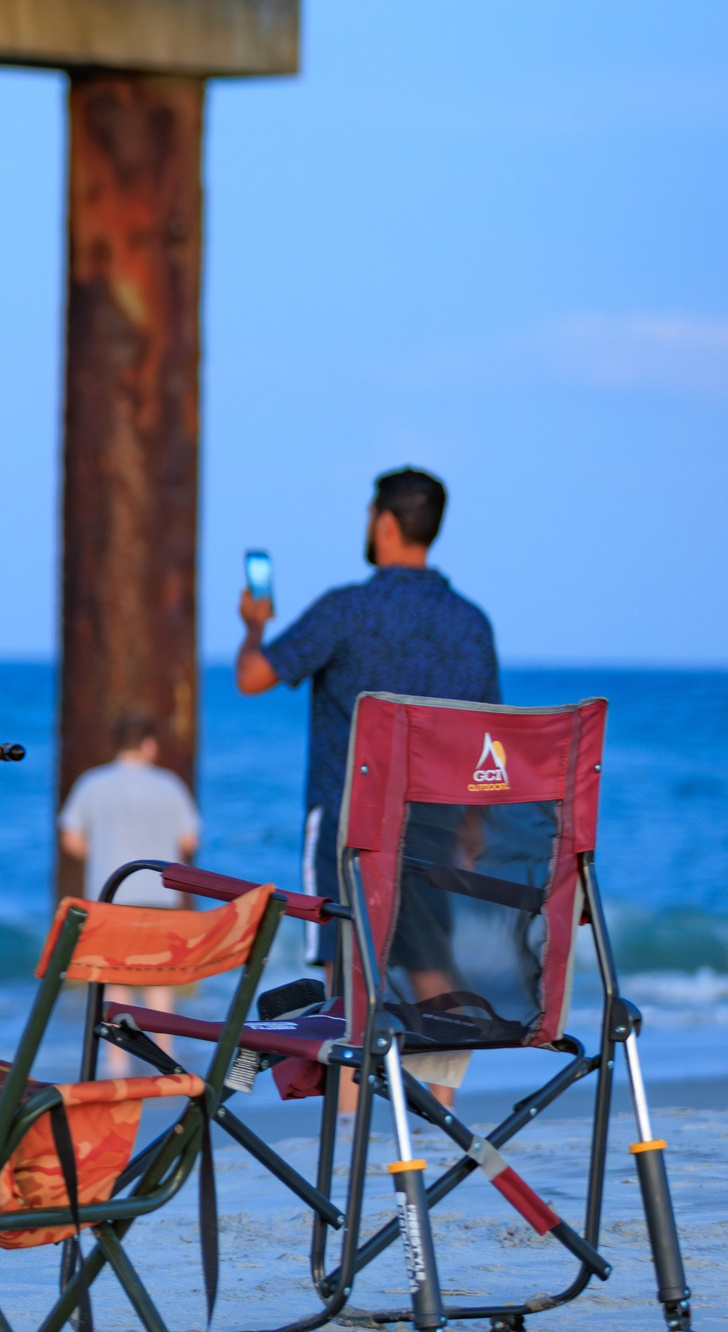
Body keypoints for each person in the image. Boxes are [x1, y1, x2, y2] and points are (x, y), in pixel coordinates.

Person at [238, 466, 498, 1104]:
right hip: (434, 820)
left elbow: (252, 677)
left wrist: (253, 622)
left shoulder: (347, 609)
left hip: (351, 823)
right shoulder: (470, 624)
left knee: (349, 972)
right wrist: (475, 827)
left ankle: (350, 1126)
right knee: (431, 963)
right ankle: (439, 1121)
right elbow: (487, 739)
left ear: (384, 522)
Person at [58, 713, 200, 1076]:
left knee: (118, 982)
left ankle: (118, 1062)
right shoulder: (168, 784)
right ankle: (165, 1057)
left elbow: (70, 838)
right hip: (160, 894)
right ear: (149, 744)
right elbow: (189, 840)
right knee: (157, 981)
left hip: (111, 893)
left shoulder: (93, 782)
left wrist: (102, 852)